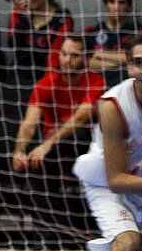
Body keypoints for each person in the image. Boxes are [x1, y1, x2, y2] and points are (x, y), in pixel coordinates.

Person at [62, 33, 142, 251]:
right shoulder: (113, 105)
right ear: (129, 65)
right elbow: (117, 179)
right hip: (109, 183)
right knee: (128, 245)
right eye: (139, 61)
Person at [12, 34, 104, 238]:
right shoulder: (47, 82)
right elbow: (30, 123)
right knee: (33, 158)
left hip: (82, 147)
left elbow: (80, 118)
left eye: (75, 55)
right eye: (64, 54)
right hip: (49, 152)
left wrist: (48, 145)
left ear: (87, 58)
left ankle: (69, 232)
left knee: (74, 137)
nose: (67, 60)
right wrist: (19, 151)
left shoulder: (95, 81)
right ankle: (46, 233)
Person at [84, 0, 142, 89]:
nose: (116, 7)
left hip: (128, 88)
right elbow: (86, 62)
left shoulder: (137, 32)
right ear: (106, 4)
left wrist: (100, 55)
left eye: (121, 2)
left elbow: (138, 62)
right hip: (96, 88)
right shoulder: (92, 32)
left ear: (128, 6)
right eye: (112, 2)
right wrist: (123, 62)